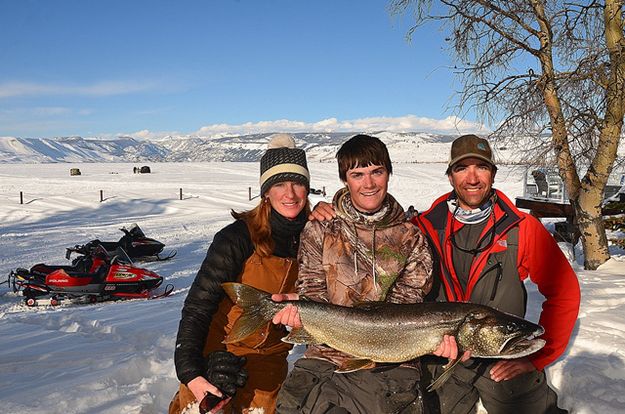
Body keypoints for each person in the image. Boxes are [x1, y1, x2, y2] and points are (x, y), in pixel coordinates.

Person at [413, 134, 581, 414]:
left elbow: (564, 292)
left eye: (481, 167)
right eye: (461, 168)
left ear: (492, 174)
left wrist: (538, 356)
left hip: (501, 355)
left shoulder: (521, 228)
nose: (472, 178)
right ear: (450, 177)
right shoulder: (423, 227)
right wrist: (325, 211)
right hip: (441, 354)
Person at [273, 134, 434, 414]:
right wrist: (301, 314)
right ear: (345, 179)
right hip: (325, 354)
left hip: (391, 360)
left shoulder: (411, 238)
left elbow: (407, 305)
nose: (368, 184)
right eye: (357, 174)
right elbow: (312, 290)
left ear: (388, 174)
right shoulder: (320, 229)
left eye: (377, 172)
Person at [169, 133, 311, 414]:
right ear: (266, 192)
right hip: (218, 349)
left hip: (269, 357)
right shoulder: (236, 238)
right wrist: (192, 373)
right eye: (279, 184)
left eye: (298, 183)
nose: (290, 194)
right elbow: (198, 307)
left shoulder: (315, 236)